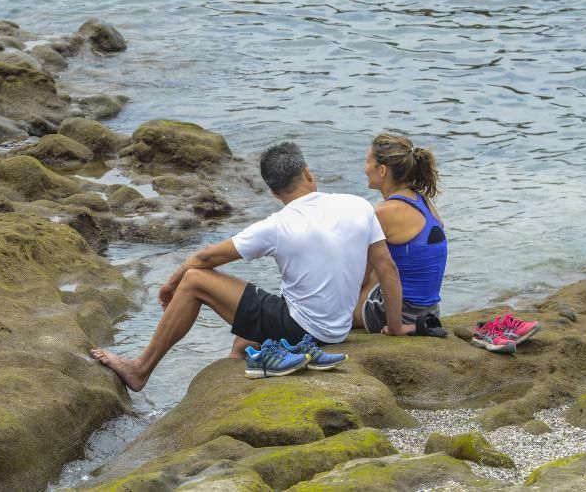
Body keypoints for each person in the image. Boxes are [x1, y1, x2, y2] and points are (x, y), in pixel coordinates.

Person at [91, 141, 408, 391]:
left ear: (272, 192)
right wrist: (394, 328)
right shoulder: (357, 206)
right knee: (261, 307)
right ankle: (238, 361)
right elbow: (387, 269)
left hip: (302, 329)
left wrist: (172, 283)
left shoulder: (276, 225)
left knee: (195, 281)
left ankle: (140, 369)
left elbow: (204, 260)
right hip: (337, 326)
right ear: (308, 174)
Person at [354, 133, 448, 335]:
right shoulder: (423, 201)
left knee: (365, 269)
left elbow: (361, 277)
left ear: (382, 170)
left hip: (402, 314)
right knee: (382, 259)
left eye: (367, 161)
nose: (364, 168)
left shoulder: (383, 213)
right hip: (430, 312)